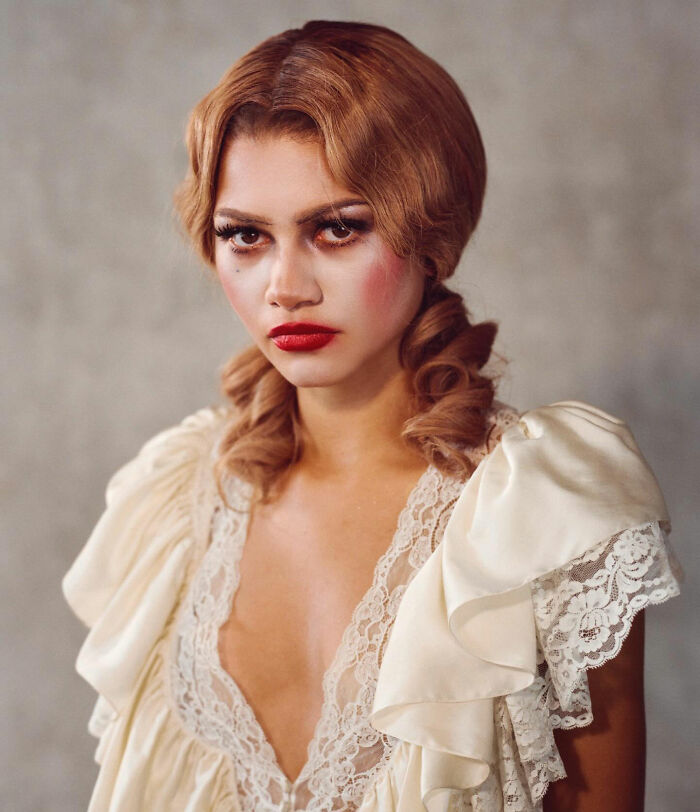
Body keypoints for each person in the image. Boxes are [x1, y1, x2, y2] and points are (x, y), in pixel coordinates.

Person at [63, 20, 682, 812]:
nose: (286, 285)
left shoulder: (546, 521)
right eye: (245, 235)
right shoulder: (169, 511)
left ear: (433, 233)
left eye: (338, 228)